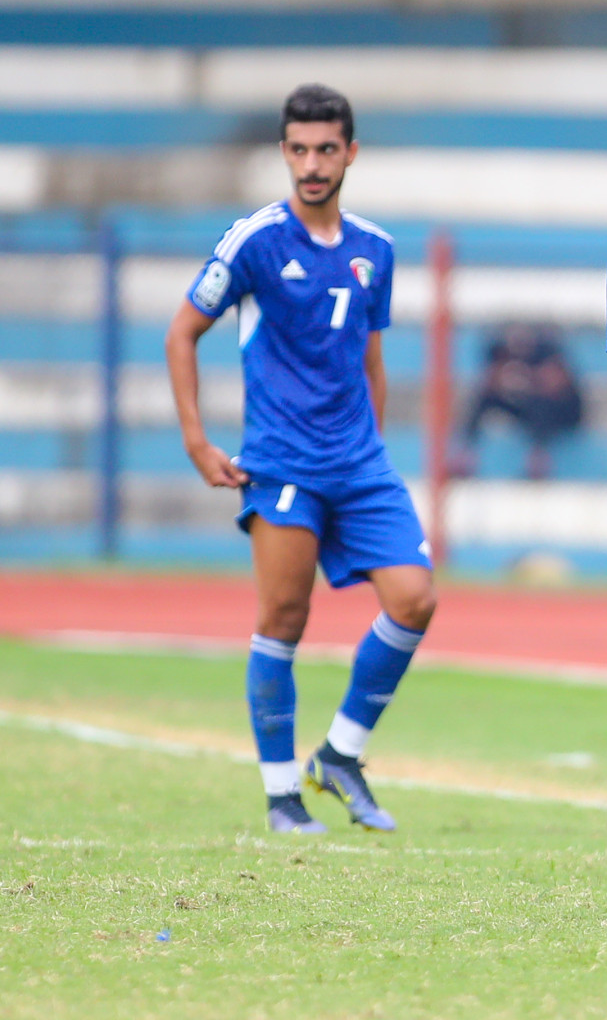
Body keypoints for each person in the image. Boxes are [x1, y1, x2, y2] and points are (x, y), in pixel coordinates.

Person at [165, 84, 436, 835]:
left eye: (325, 149)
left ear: (350, 152)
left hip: (358, 463)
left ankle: (341, 755)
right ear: (284, 152)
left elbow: (370, 357)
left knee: (415, 597)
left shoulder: (374, 249)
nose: (311, 164)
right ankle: (282, 792)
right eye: (298, 150)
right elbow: (181, 332)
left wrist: (371, 446)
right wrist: (197, 441)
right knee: (284, 616)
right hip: (281, 462)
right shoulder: (254, 240)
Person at [456, 322, 584, 481]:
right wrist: (506, 379)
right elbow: (488, 380)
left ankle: (538, 462)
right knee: (483, 399)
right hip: (522, 405)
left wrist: (530, 379)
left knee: (541, 405)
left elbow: (558, 384)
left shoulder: (547, 350)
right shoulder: (497, 350)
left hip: (559, 412)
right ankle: (465, 456)